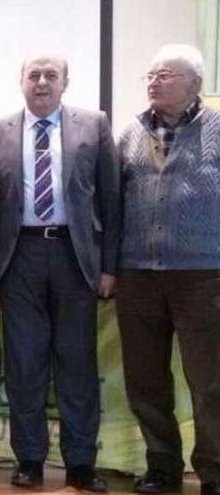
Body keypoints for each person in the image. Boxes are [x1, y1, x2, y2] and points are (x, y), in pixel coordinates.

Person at [0, 55, 120, 492]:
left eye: (50, 75)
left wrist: (109, 266)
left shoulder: (93, 125)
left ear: (65, 82)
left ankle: (80, 463)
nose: (42, 82)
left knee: (77, 363)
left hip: (75, 258)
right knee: (24, 364)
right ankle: (30, 460)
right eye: (34, 75)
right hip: (18, 258)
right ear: (20, 81)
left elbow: (112, 201)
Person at [116, 44, 220, 495]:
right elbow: (112, 202)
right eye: (151, 75)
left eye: (166, 75)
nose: (154, 82)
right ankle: (162, 464)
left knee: (211, 381)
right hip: (138, 274)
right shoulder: (130, 133)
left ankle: (214, 470)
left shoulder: (217, 130)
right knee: (145, 378)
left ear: (194, 83)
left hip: (203, 275)